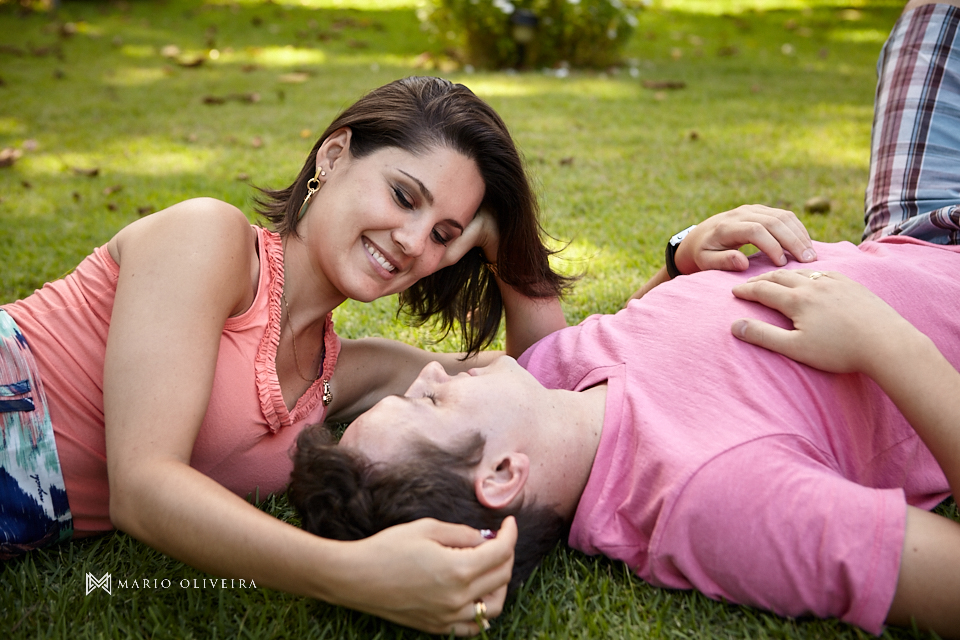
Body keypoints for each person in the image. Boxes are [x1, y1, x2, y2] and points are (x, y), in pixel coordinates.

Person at [0, 73, 817, 634]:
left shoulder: (348, 376)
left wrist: (512, 253)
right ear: (332, 157)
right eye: (403, 195)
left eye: (445, 234)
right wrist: (347, 573)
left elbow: (543, 390)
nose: (412, 242)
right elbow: (143, 488)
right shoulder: (207, 241)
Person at [288, 2, 960, 635]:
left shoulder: (552, 381)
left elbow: (663, 359)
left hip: (914, 229)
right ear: (500, 476)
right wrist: (885, 343)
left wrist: (678, 263)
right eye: (428, 401)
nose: (432, 368)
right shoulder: (714, 501)